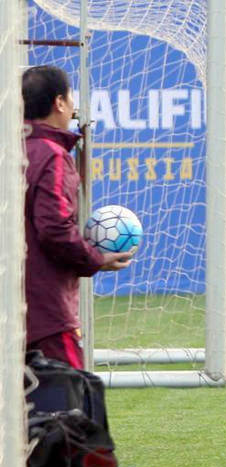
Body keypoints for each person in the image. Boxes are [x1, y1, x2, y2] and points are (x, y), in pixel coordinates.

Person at [22, 65, 131, 370]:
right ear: (59, 102)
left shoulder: (10, 150)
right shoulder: (52, 156)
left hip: (12, 308)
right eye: (70, 97)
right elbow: (54, 228)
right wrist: (96, 258)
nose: (73, 106)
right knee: (74, 406)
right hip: (46, 314)